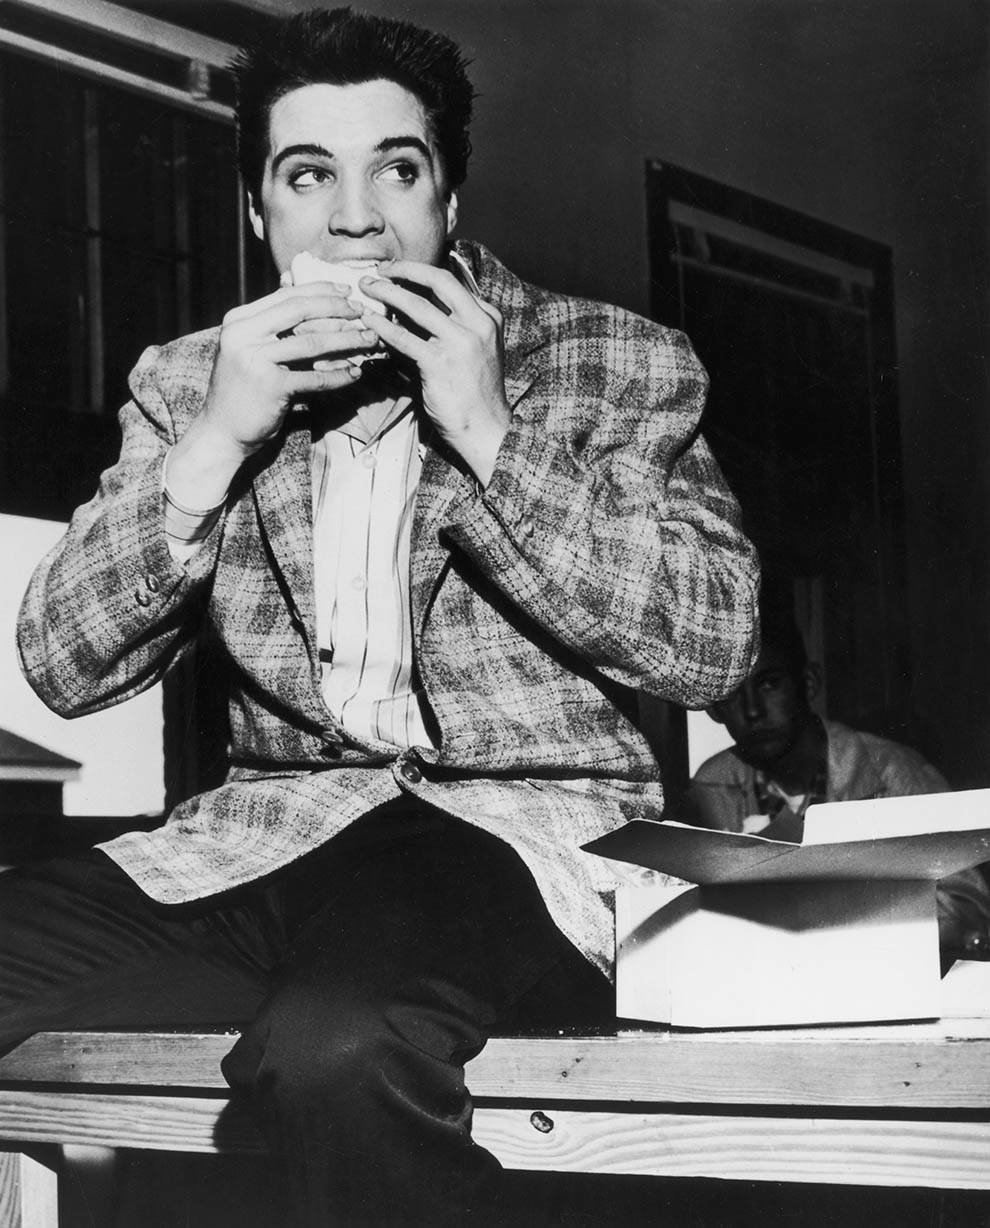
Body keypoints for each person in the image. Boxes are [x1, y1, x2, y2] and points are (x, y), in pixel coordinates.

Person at [6, 8, 759, 1226]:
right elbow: (60, 662)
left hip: (520, 841)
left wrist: (490, 432)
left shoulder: (612, 358)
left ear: (449, 202)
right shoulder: (192, 379)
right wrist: (217, 439)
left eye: (395, 170)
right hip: (266, 838)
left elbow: (715, 641)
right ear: (261, 213)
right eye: (308, 176)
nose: (354, 217)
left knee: (338, 1049)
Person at [688, 603, 990, 958]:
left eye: (770, 684)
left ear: (809, 683)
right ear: (714, 709)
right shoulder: (711, 786)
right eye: (733, 694)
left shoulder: (894, 773)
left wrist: (847, 912)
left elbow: (970, 912)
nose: (752, 710)